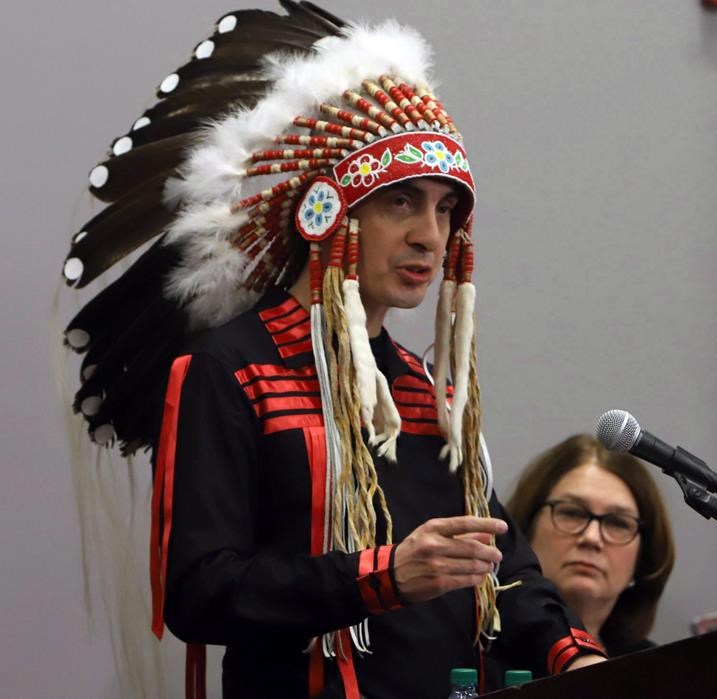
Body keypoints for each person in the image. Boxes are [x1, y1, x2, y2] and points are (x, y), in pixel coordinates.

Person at [59, 4, 604, 697]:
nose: (430, 237)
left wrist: (574, 654)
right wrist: (382, 576)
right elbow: (198, 589)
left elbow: (500, 565)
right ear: (332, 211)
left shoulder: (421, 389)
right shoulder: (232, 369)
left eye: (445, 210)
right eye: (402, 203)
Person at [504, 434, 676, 656]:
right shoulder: (476, 655)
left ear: (643, 559)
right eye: (572, 513)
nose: (592, 538)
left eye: (618, 523)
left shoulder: (658, 673)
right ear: (527, 528)